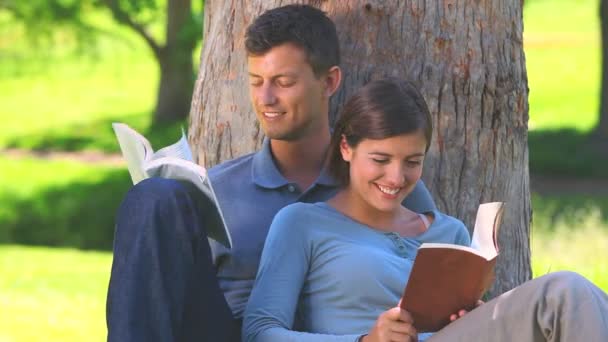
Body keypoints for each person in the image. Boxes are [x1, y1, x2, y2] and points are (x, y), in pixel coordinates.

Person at [106, 5, 438, 342]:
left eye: (283, 82)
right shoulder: (218, 188)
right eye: (257, 82)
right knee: (155, 196)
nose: (266, 98)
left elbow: (436, 283)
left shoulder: (384, 184)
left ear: (329, 81)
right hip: (226, 333)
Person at [242, 79, 608, 342]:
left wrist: (474, 318)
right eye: (380, 159)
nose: (396, 177)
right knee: (565, 293)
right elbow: (260, 333)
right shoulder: (303, 223)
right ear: (346, 148)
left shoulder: (449, 234)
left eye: (412, 161)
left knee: (578, 300)